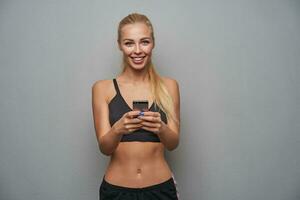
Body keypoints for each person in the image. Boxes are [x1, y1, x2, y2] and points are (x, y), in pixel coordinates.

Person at [92, 13, 180, 200]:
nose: (137, 50)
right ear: (119, 45)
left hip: (160, 189)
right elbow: (105, 148)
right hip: (117, 190)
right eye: (129, 43)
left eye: (144, 42)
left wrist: (161, 128)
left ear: (153, 43)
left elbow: (173, 144)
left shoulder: (169, 86)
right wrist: (118, 130)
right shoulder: (102, 88)